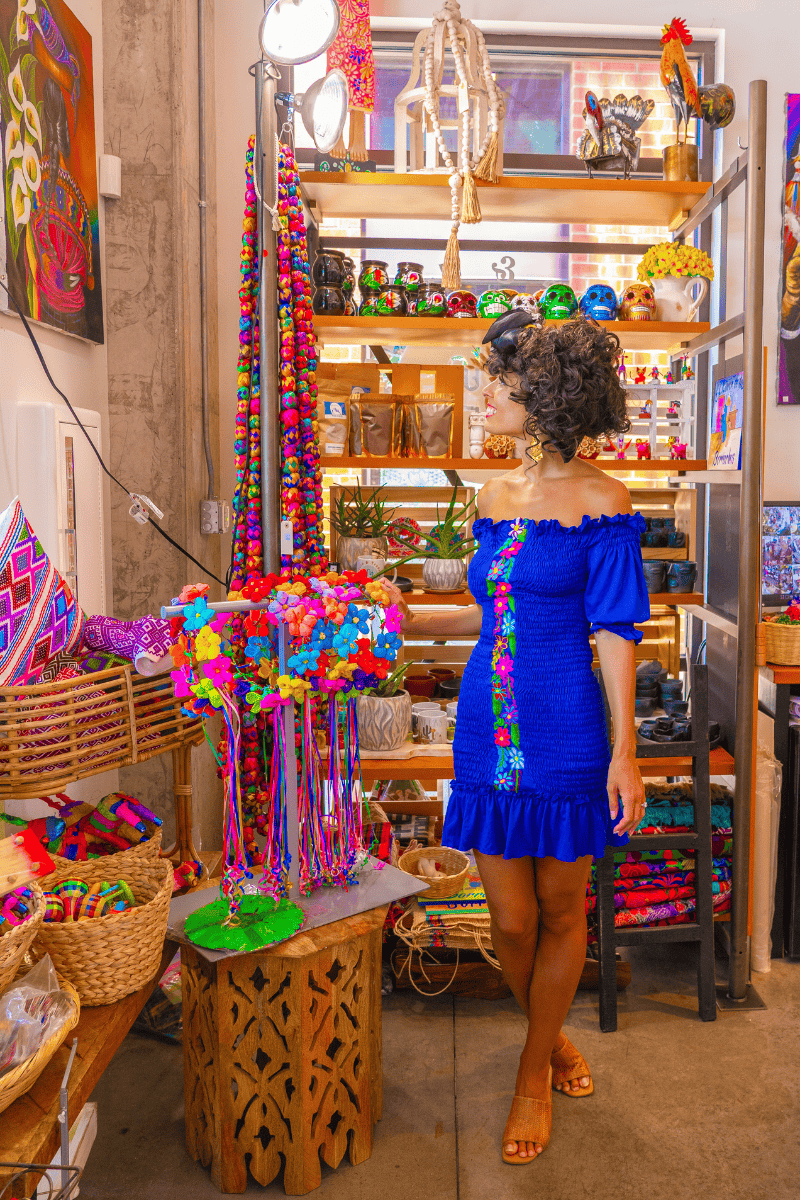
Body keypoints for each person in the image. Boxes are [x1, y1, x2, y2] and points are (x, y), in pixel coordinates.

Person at [385, 311, 650, 1166]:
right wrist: (394, 619)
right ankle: (551, 1030)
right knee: (507, 920)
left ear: (551, 398)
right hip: (487, 722)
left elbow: (614, 631)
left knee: (564, 908)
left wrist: (625, 751)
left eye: (504, 382)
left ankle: (534, 1069)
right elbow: (493, 608)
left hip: (568, 722)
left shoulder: (606, 504)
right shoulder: (492, 497)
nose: (489, 394)